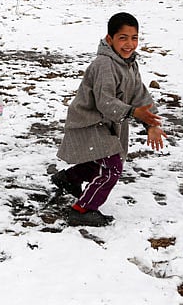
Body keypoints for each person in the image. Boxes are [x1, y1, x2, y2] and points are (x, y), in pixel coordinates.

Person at [51, 12, 167, 227]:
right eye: (123, 37)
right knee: (112, 168)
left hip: (108, 124)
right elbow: (105, 102)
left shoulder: (130, 64)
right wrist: (133, 113)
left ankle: (68, 179)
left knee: (101, 164)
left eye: (134, 38)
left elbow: (141, 95)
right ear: (109, 39)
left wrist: (152, 123)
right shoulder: (104, 64)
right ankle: (82, 210)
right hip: (89, 122)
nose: (129, 44)